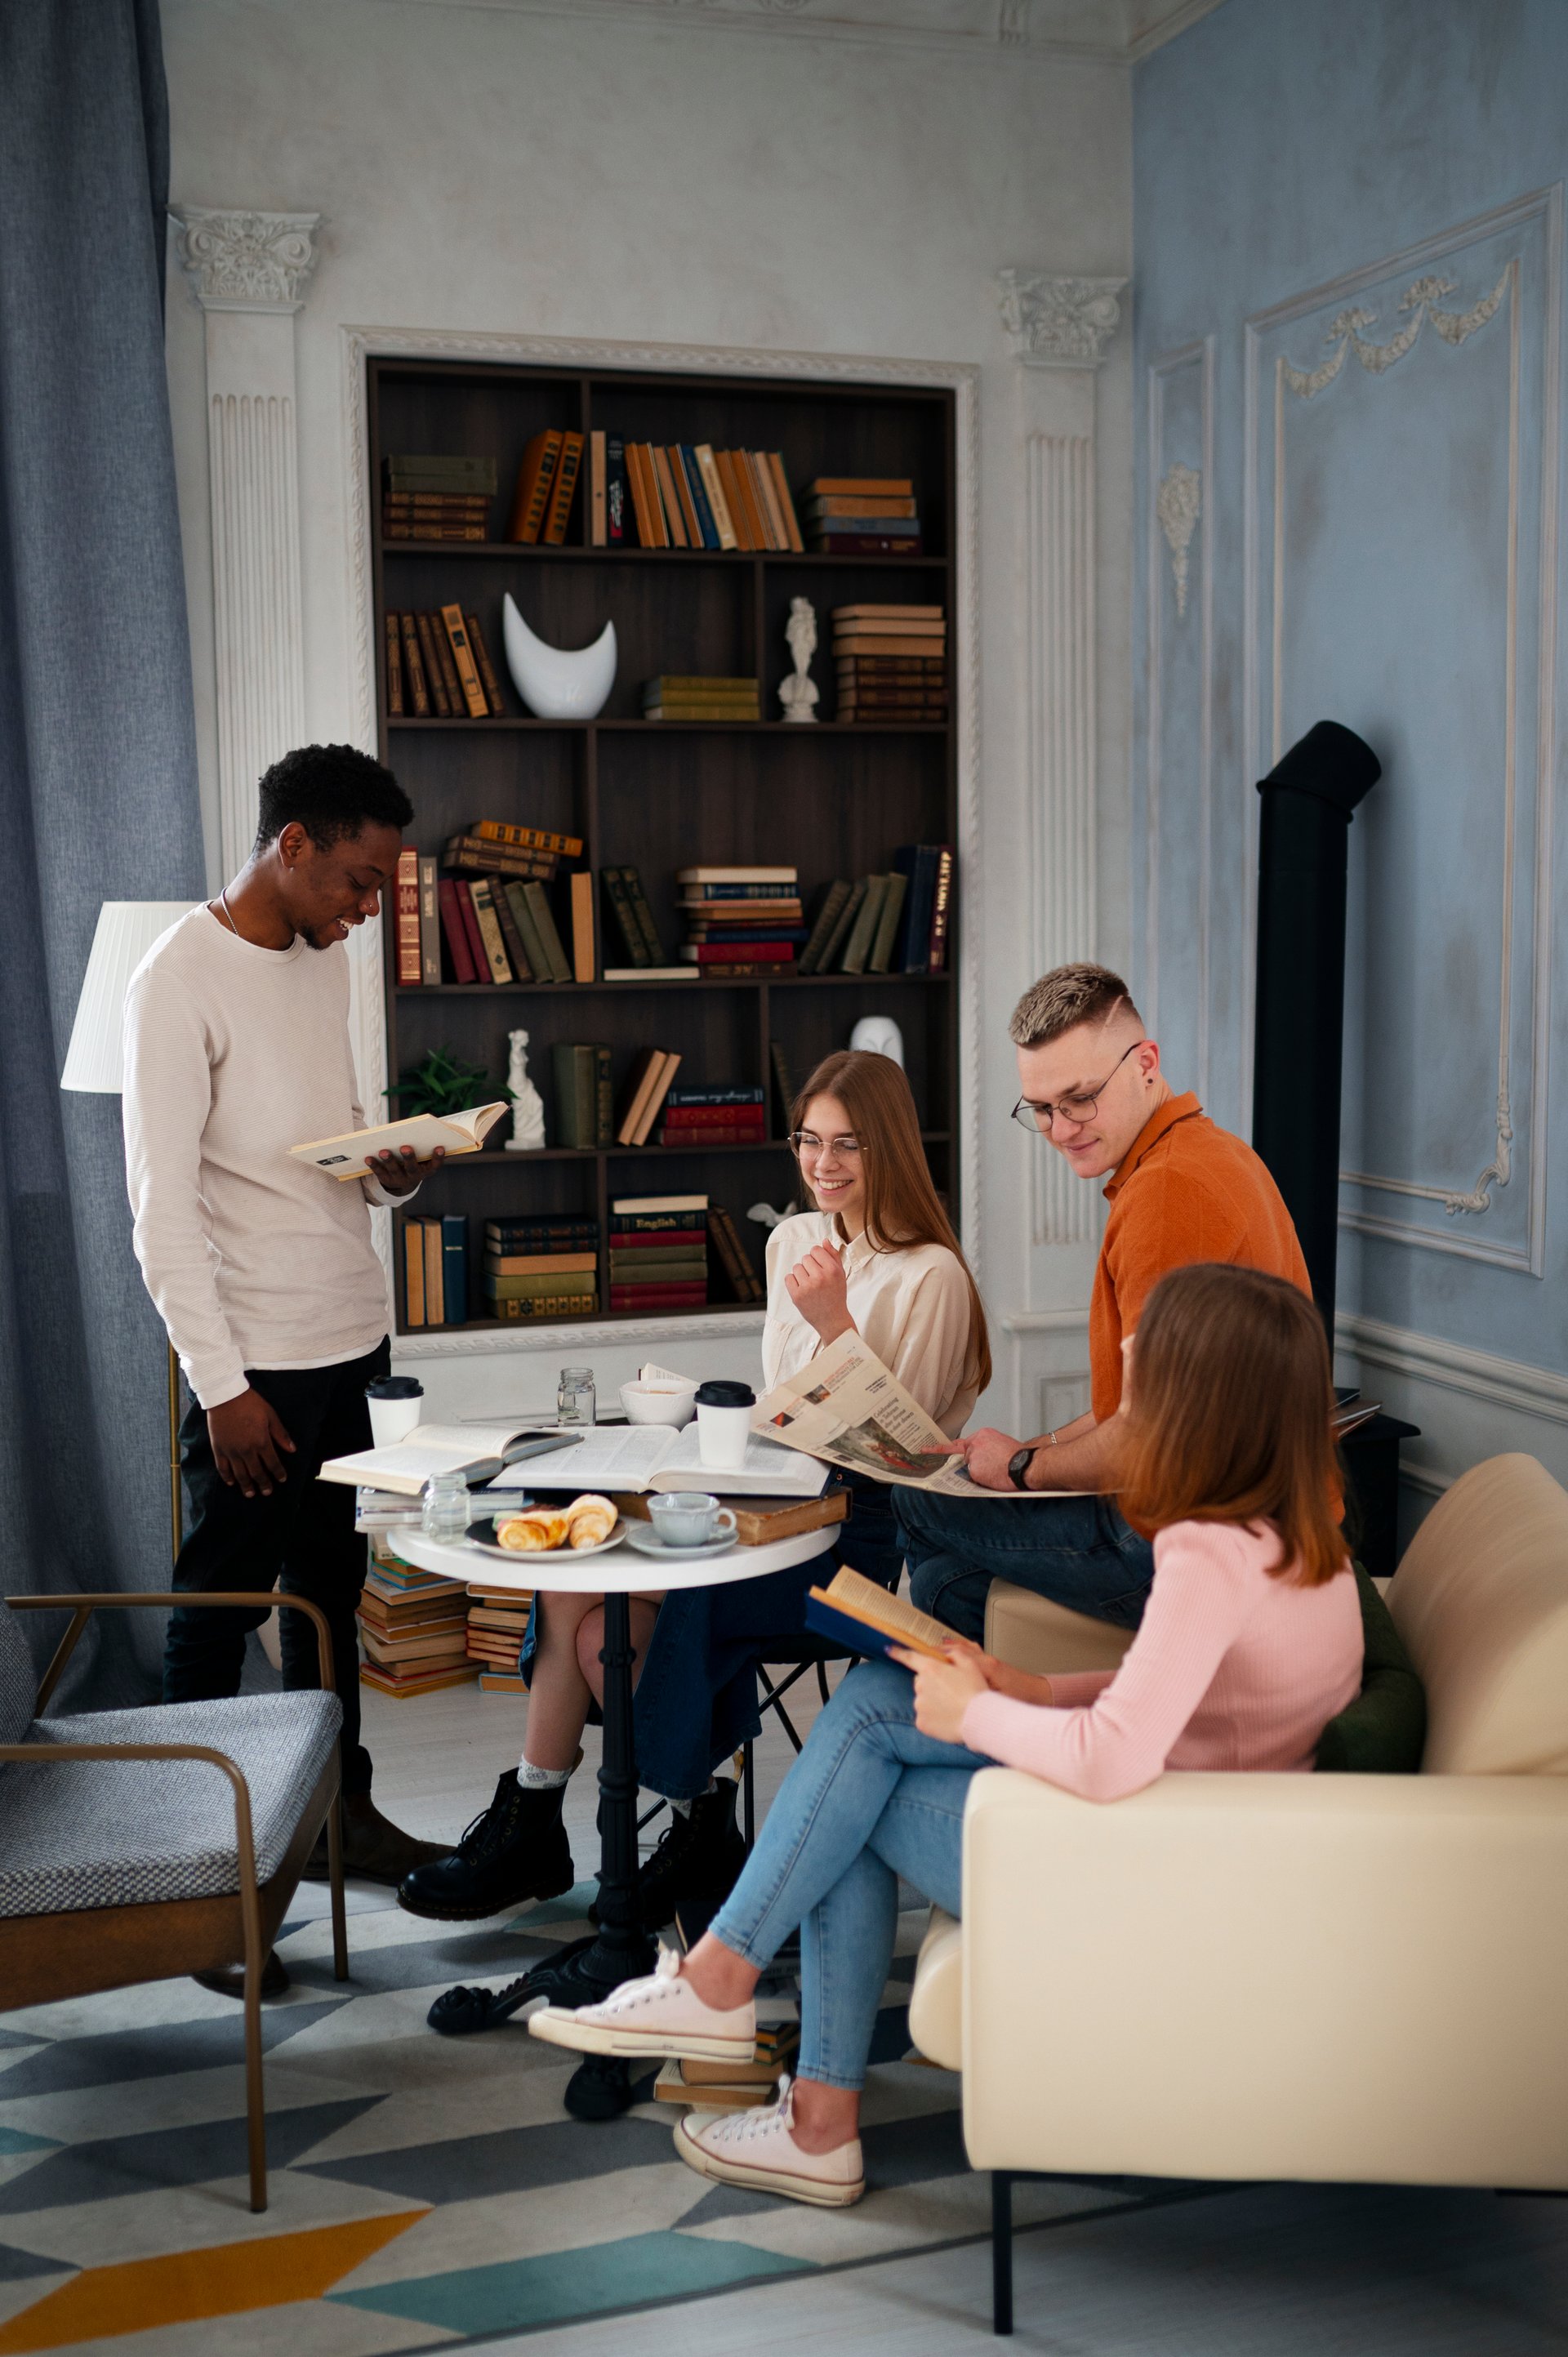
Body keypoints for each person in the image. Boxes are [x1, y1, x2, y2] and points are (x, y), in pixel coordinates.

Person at [528, 1262, 1363, 2207]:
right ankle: (750, 2024)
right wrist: (1029, 1685)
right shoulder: (1294, 1542)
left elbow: (1115, 1757)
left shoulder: (1207, 1551)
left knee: (856, 1795)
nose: (1127, 1364)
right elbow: (1198, 1706)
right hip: (1195, 1826)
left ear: (1201, 1398)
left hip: (1153, 1861)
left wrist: (983, 1713)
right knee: (885, 1694)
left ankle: (785, 2075)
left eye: (1147, 1357)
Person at [397, 1049, 988, 1932]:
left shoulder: (930, 1273)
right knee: (579, 1584)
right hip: (769, 1492)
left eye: (848, 1146)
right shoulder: (793, 1239)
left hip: (853, 1537)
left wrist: (835, 1326)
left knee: (642, 1610)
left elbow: (903, 1453)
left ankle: (692, 1820)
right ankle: (543, 1816)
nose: (822, 1164)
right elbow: (786, 1411)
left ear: (892, 1147)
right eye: (808, 1141)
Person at [123, 742, 451, 1992]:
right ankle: (208, 1887)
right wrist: (220, 1387)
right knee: (221, 1616)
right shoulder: (176, 979)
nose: (368, 912)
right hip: (253, 1361)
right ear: (293, 845)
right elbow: (160, 1215)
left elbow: (316, 1142)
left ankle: (338, 1819)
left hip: (349, 1333)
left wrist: (389, 1167)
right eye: (359, 882)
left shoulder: (324, 966)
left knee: (330, 1600)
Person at [895, 960, 1318, 1642]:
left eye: (1080, 1097)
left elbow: (1147, 1439)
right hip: (1244, 1524)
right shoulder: (1213, 1154)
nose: (1061, 1129)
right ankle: (998, 1718)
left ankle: (986, 1724)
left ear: (1146, 1063)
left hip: (1199, 1544)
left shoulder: (1168, 1194)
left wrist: (1020, 1468)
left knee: (916, 1503)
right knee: (947, 1581)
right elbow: (1139, 1408)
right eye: (1041, 1109)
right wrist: (1024, 1451)